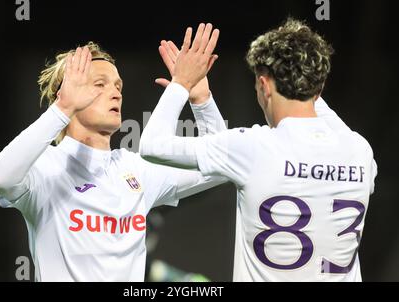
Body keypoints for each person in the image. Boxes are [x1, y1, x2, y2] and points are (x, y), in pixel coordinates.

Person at [140, 21, 378, 281]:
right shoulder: (360, 151)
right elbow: (315, 99)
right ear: (318, 86)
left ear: (264, 86)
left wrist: (181, 84)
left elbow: (154, 145)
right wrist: (202, 100)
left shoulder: (254, 148)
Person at [0, 42, 227, 282]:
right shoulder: (45, 167)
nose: (116, 93)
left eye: (118, 86)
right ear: (68, 93)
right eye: (100, 84)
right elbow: (0, 177)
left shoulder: (136, 169)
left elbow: (219, 165)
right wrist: (62, 108)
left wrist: (202, 99)